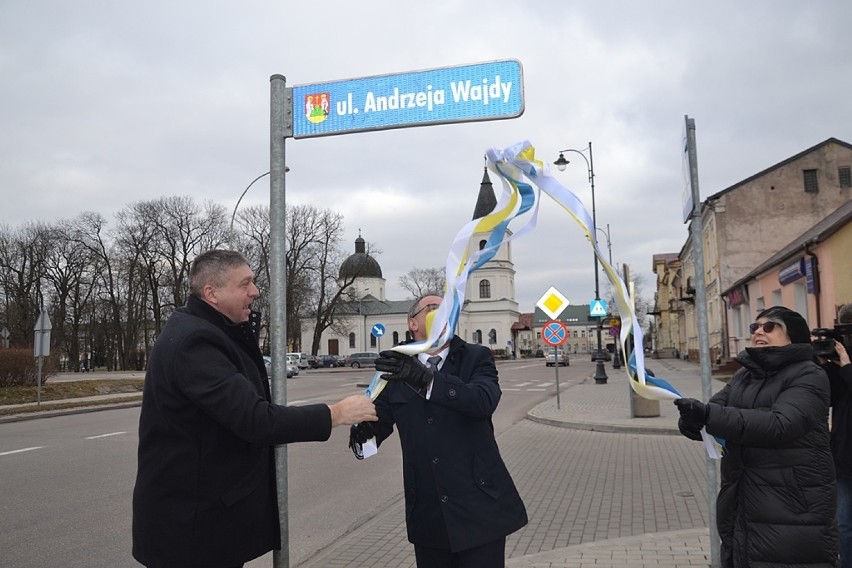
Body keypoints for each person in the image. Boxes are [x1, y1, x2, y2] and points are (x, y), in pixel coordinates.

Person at [132, 249, 376, 568]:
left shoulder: (212, 331)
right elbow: (256, 420)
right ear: (212, 293)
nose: (256, 291)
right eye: (245, 283)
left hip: (203, 527)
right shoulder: (196, 343)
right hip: (191, 536)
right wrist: (337, 413)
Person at [349, 292, 528, 568]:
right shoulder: (398, 369)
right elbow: (379, 422)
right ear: (413, 323)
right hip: (429, 514)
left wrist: (427, 380)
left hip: (479, 508)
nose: (441, 312)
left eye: (446, 309)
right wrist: (364, 435)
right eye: (432, 308)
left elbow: (483, 401)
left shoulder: (475, 357)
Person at [674, 306, 837, 567]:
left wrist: (708, 415)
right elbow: (718, 410)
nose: (759, 331)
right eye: (755, 327)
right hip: (743, 496)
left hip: (791, 501)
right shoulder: (745, 374)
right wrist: (692, 422)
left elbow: (781, 424)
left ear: (793, 336)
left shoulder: (810, 374)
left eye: (770, 326)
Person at [821, 304, 852, 568]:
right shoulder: (841, 364)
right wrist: (825, 366)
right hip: (843, 458)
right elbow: (828, 399)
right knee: (843, 524)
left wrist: (846, 366)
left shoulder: (847, 366)